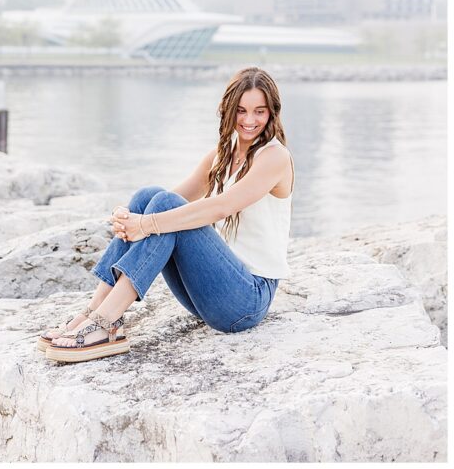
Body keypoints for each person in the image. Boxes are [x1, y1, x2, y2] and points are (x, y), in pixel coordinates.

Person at [38, 67, 294, 364]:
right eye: (241, 111)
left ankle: (106, 322)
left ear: (272, 112)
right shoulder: (221, 156)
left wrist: (145, 224)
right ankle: (94, 312)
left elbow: (221, 206)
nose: (249, 121)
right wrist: (129, 215)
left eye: (259, 112)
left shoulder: (275, 157)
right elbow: (163, 201)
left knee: (163, 208)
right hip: (212, 293)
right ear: (227, 110)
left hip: (247, 299)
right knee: (149, 196)